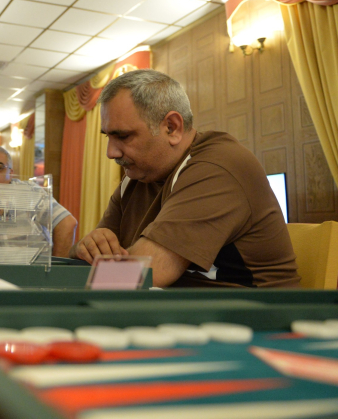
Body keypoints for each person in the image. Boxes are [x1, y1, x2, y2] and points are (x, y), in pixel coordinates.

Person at [69, 69, 300, 288]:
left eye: (123, 136)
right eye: (108, 137)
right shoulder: (136, 178)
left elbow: (142, 274)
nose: (111, 152)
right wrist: (84, 247)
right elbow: (88, 261)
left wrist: (93, 266)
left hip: (258, 318)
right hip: (183, 314)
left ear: (172, 127)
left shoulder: (219, 166)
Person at [0, 144, 77, 257]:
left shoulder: (30, 192)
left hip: (33, 270)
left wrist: (57, 269)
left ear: (11, 172)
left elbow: (67, 223)